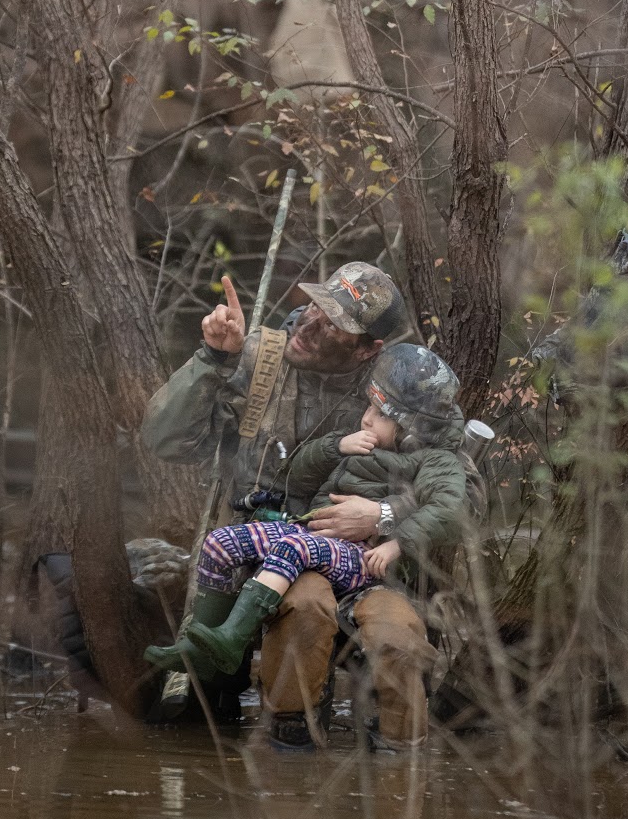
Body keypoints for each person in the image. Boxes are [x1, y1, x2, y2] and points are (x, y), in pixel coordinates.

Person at [139, 261, 460, 749]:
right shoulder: (257, 359)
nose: (309, 325)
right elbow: (163, 442)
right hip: (250, 563)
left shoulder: (395, 388)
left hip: (355, 564)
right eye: (313, 305)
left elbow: (461, 488)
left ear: (369, 348)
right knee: (196, 722)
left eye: (333, 324)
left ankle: (350, 755)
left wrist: (382, 516)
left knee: (337, 619)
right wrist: (212, 359)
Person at [143, 346, 466, 681]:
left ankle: (232, 638)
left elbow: (451, 509)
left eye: (382, 414)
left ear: (411, 428)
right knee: (220, 543)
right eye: (370, 406)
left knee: (292, 549)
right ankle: (199, 651)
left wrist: (394, 540)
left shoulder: (436, 460)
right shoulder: (361, 438)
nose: (367, 417)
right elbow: (294, 475)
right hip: (312, 536)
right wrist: (334, 447)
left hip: (361, 558)